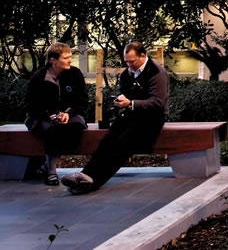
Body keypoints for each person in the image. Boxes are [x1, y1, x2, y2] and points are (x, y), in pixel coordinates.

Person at [61, 41, 169, 194]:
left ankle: (93, 181)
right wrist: (121, 100)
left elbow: (157, 103)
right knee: (109, 138)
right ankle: (86, 174)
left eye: (132, 61)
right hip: (132, 114)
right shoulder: (127, 73)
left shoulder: (157, 73)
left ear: (143, 56)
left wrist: (130, 103)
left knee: (122, 143)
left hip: (152, 118)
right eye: (126, 61)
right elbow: (123, 92)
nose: (129, 65)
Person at [25, 42, 88, 185]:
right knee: (53, 131)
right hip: (43, 116)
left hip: (70, 115)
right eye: (66, 58)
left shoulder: (75, 73)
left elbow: (82, 100)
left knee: (76, 127)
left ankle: (47, 165)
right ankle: (51, 172)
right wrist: (50, 115)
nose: (70, 60)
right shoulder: (39, 78)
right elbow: (31, 105)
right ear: (53, 60)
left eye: (70, 57)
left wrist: (67, 113)